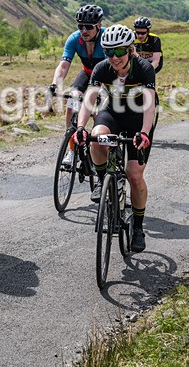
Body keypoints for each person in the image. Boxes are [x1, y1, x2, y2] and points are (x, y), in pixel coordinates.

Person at [73, 24, 155, 253]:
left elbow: (150, 106)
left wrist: (145, 133)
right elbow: (90, 99)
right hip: (113, 113)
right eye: (109, 52)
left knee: (134, 175)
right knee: (96, 138)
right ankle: (104, 180)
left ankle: (138, 227)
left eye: (119, 51)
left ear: (129, 50)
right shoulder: (102, 68)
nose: (114, 57)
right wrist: (80, 127)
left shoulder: (143, 68)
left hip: (139, 120)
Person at [50, 5, 106, 166]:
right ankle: (71, 148)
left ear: (99, 26)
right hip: (87, 73)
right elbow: (63, 65)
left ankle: (99, 145)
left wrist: (101, 92)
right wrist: (55, 84)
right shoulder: (74, 39)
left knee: (97, 111)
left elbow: (110, 69)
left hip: (104, 76)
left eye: (88, 27)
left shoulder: (105, 38)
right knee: (72, 104)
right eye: (80, 26)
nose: (84, 30)